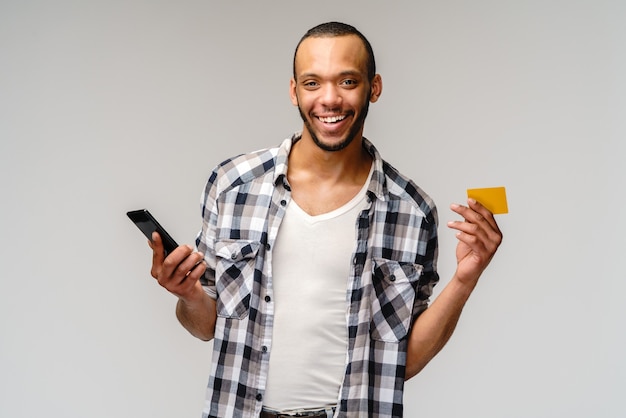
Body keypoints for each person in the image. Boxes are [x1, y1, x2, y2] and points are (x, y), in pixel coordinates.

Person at [148, 21, 502, 418]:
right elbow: (204, 326)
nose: (329, 99)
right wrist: (188, 294)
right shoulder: (233, 186)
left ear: (374, 87)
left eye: (347, 81)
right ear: (294, 91)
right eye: (313, 83)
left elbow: (403, 361)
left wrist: (465, 278)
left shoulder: (412, 210)